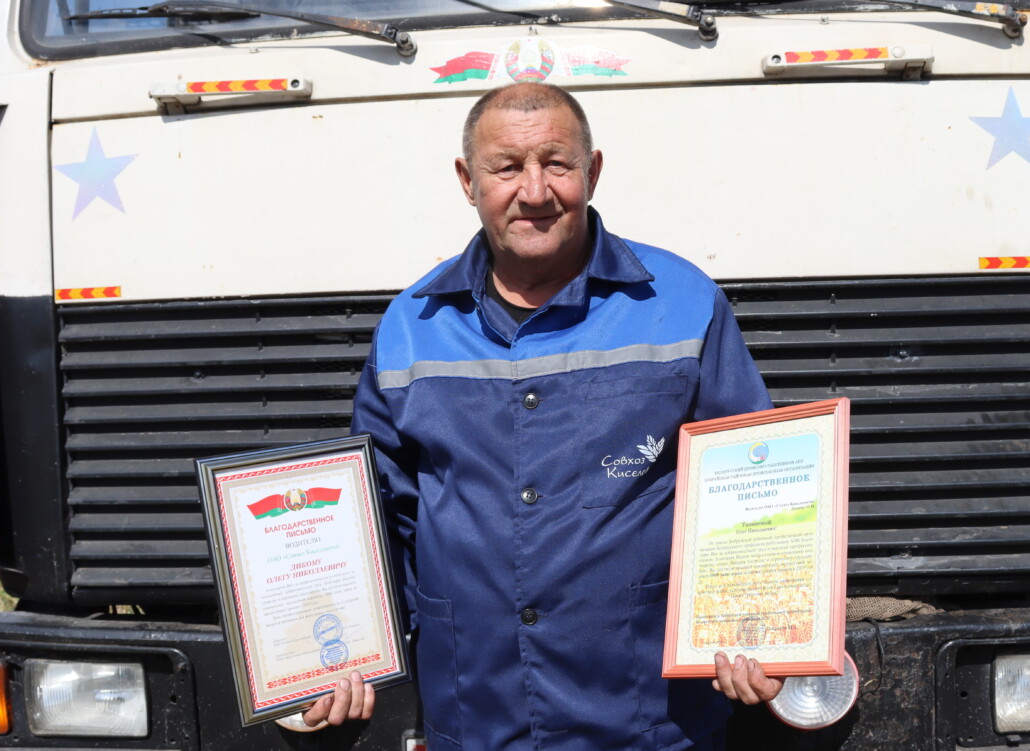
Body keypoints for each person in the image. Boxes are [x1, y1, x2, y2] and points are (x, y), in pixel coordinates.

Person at [304, 82, 783, 748]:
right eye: (506, 167)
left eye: (557, 163)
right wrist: (332, 654)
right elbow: (378, 517)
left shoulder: (683, 302)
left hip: (649, 720)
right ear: (468, 181)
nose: (534, 191)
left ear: (593, 171)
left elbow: (754, 488)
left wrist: (766, 632)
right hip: (476, 716)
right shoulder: (411, 327)